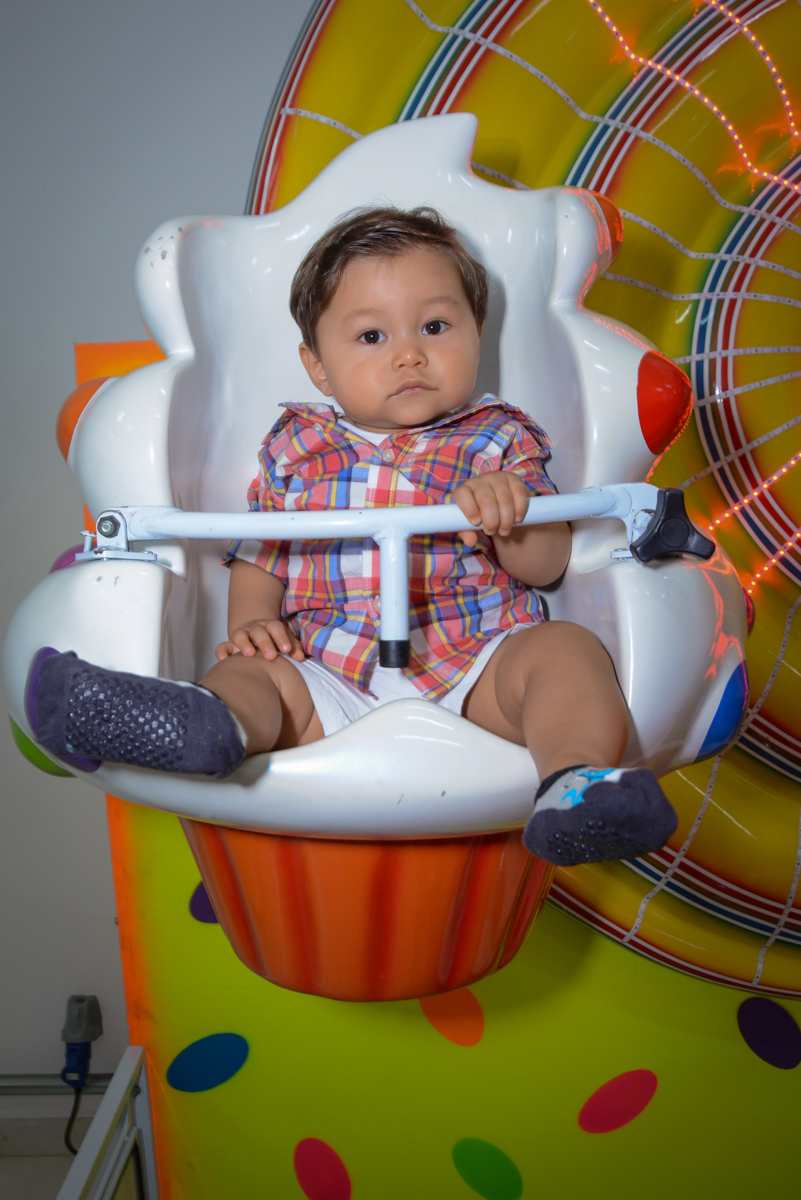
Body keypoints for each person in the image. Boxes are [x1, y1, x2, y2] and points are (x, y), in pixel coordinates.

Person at [32, 206, 677, 866]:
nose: (409, 353)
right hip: (326, 674)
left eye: (434, 326)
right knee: (251, 675)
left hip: (476, 664)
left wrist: (506, 516)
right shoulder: (295, 445)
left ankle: (577, 784)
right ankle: (204, 726)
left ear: (475, 333)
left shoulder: (499, 437)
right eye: (371, 336)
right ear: (318, 367)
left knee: (564, 649)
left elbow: (547, 568)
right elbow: (260, 551)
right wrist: (254, 622)